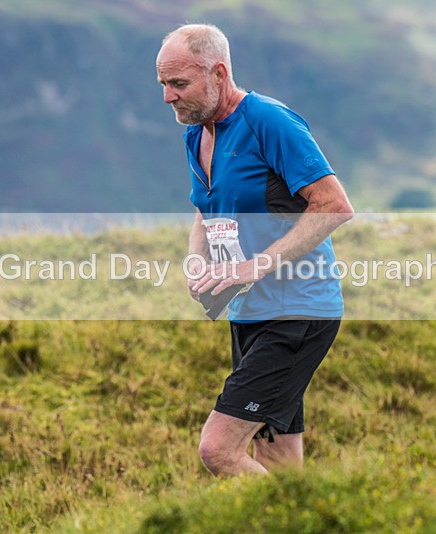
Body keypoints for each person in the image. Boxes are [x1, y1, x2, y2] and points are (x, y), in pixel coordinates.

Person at [156, 23, 354, 476]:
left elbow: (335, 206)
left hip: (297, 312)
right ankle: (299, 520)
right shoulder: (197, 131)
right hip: (247, 314)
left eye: (179, 83)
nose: (168, 96)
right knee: (278, 459)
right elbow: (205, 210)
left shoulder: (270, 121)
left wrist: (254, 266)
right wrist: (198, 261)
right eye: (163, 84)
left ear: (219, 73)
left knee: (218, 450)